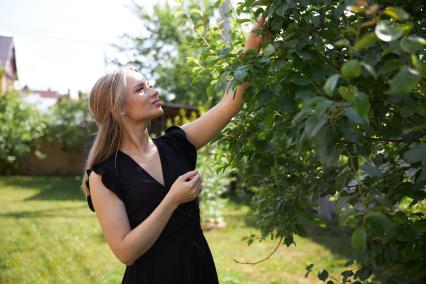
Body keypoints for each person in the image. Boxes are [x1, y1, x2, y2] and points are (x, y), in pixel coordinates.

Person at [81, 15, 270, 284]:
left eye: (149, 84)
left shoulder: (177, 144)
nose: (153, 90)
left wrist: (255, 40)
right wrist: (172, 199)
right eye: (141, 89)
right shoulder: (105, 174)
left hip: (198, 271)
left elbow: (231, 102)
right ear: (119, 107)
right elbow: (125, 252)